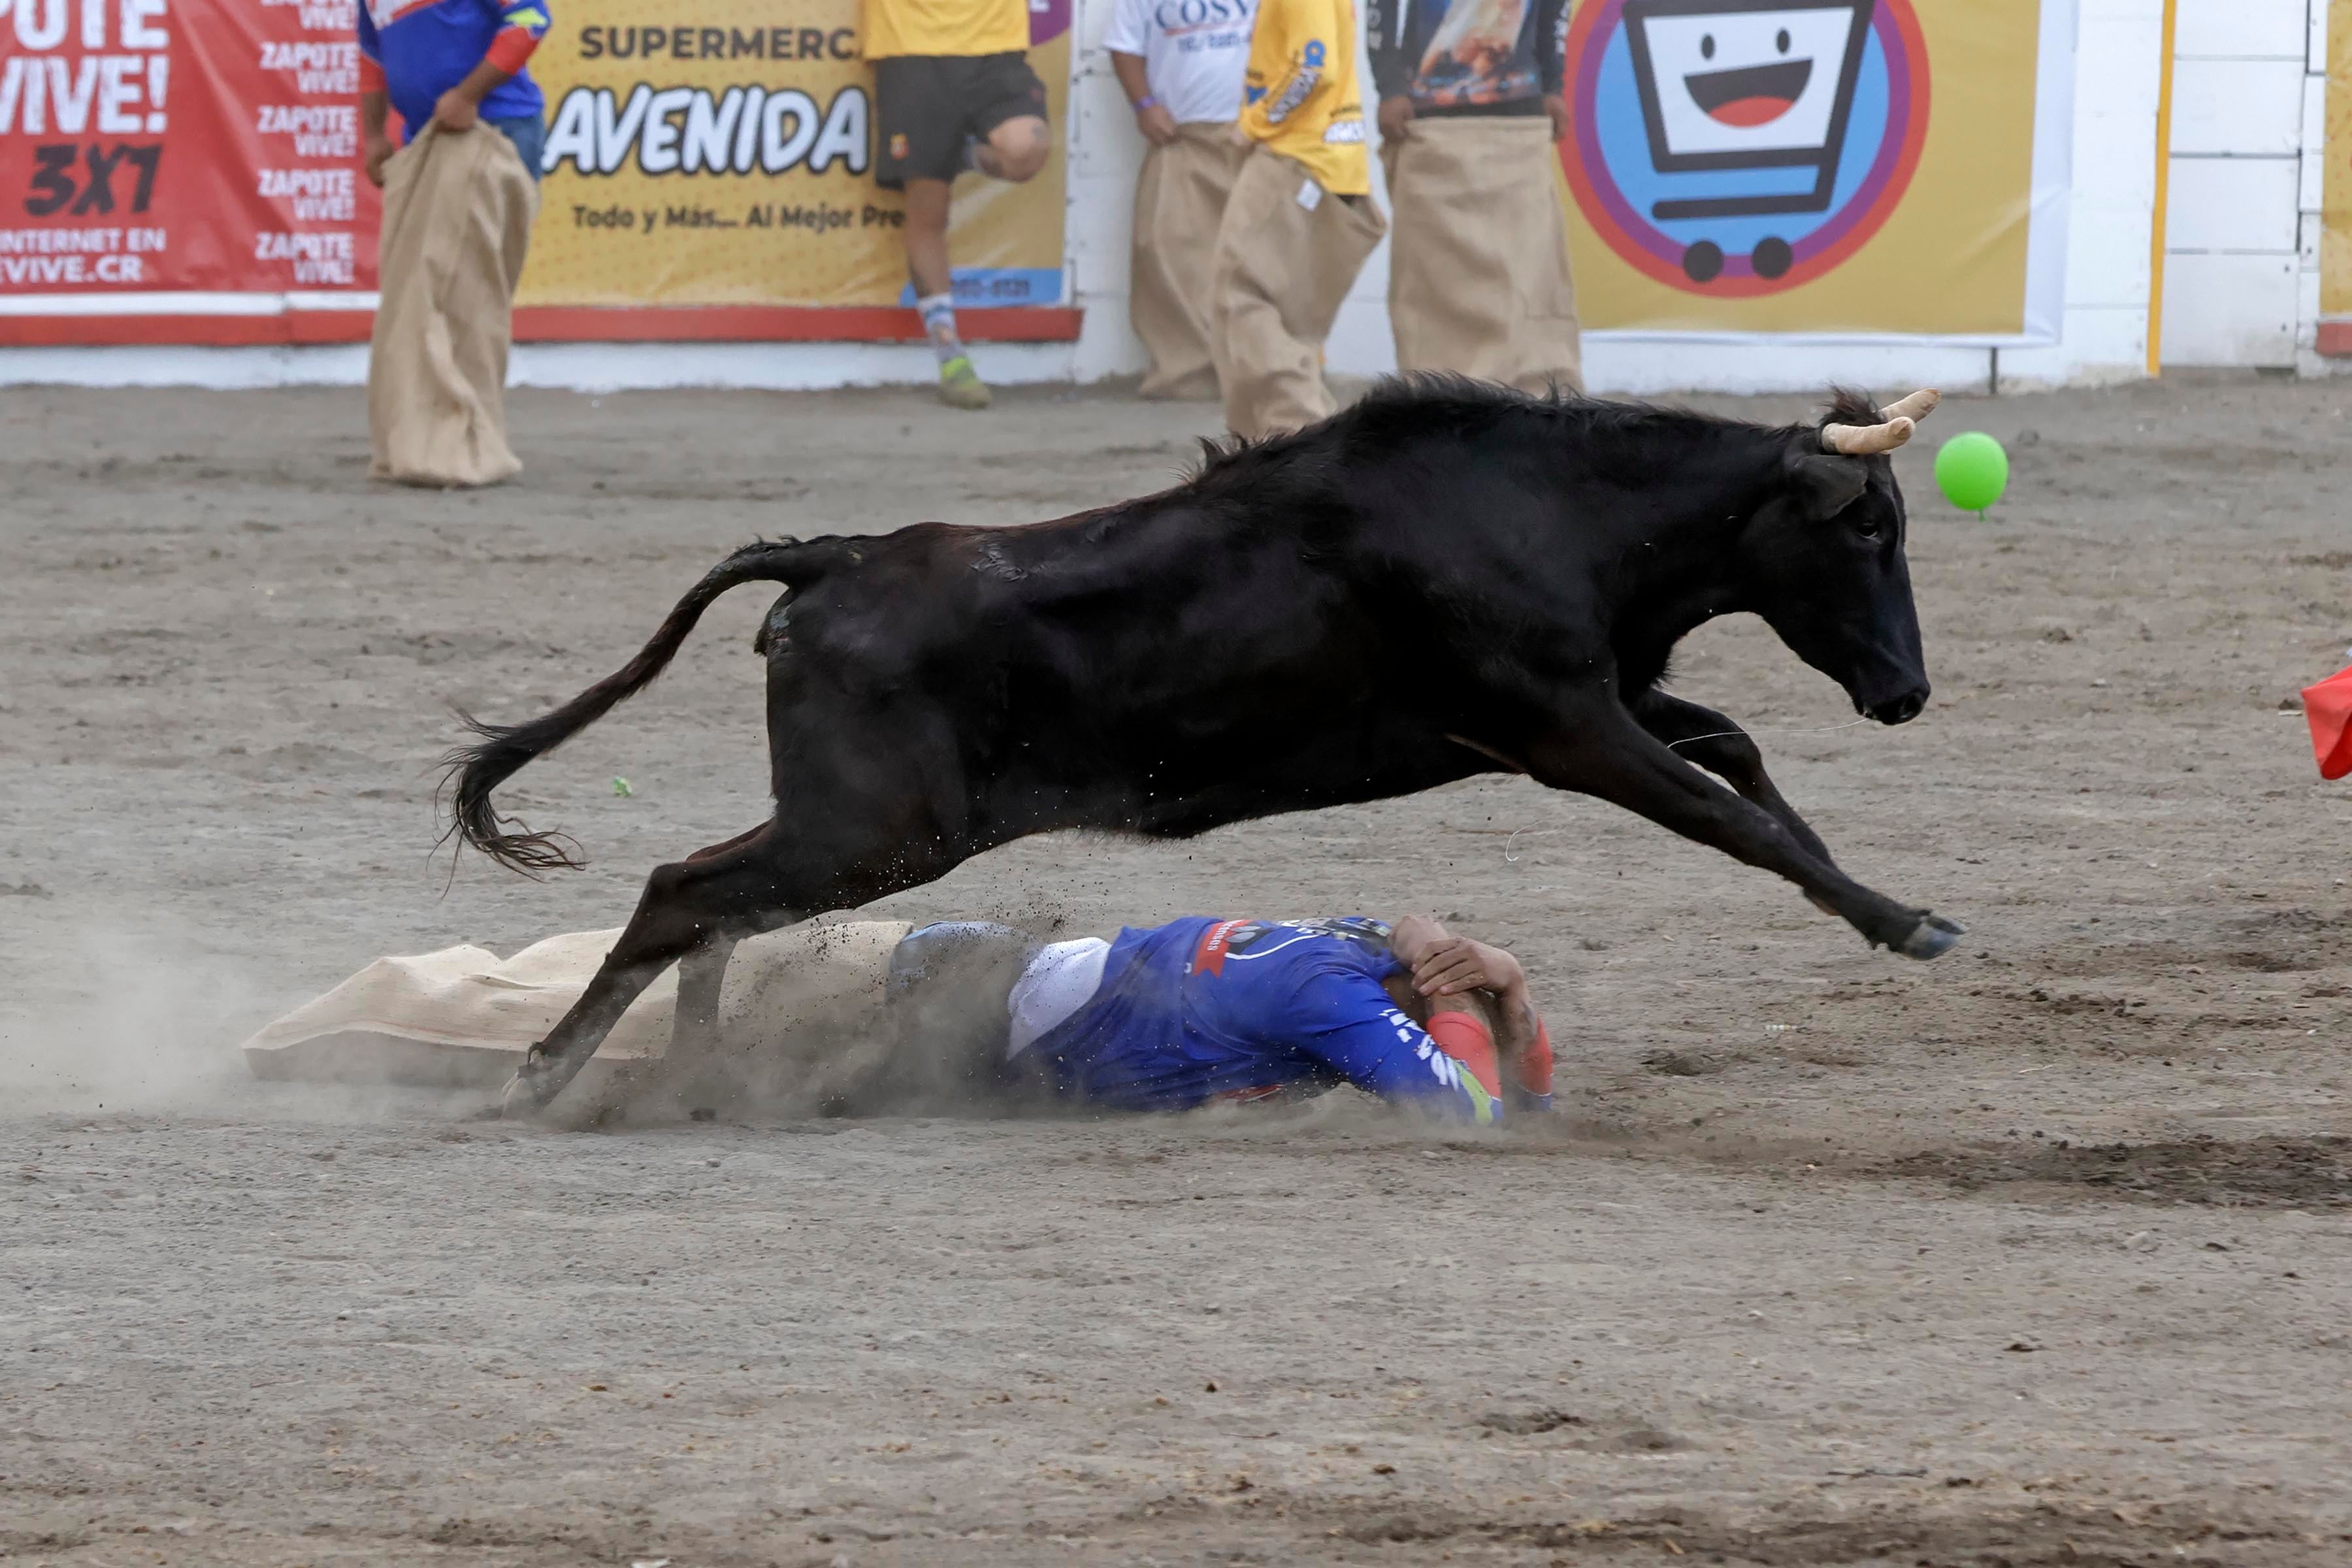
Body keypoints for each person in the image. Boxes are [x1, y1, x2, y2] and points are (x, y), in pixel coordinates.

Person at [880, 913, 1555, 1125]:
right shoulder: (1340, 1005)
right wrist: (1455, 999)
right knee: (814, 1070)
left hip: (1030, 971)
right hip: (977, 1007)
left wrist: (1512, 977)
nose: (1476, 1052)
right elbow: (1472, 1119)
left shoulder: (1375, 944)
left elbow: (1527, 1107)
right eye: (1463, 1024)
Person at [358, 0, 550, 488]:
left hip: (492, 128)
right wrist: (374, 135)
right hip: (429, 139)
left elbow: (530, 20)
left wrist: (468, 95)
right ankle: (429, 439)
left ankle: (462, 446)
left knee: (462, 294)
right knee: (417, 294)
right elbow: (373, 58)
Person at [1368, 0, 1582, 393]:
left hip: (1518, 115)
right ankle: (1437, 407)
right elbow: (1380, 7)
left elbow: (1555, 8)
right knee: (1431, 285)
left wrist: (1553, 84)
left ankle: (1535, 405)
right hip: (1430, 114)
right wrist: (1390, 87)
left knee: (1532, 276)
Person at [1207, 0, 1388, 439]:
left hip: (1295, 158)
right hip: (1327, 163)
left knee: (1242, 300)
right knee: (1288, 320)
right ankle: (1269, 455)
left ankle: (1298, 440)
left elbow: (1313, 69)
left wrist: (1252, 124)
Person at [864, 0, 1054, 410]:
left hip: (995, 47)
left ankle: (957, 153)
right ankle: (949, 354)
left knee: (1028, 148)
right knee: (927, 205)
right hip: (911, 48)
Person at [1105, 0, 1256, 400]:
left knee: (1263, 258)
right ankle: (1186, 377)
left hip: (1259, 135)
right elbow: (1124, 45)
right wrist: (1144, 106)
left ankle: (1260, 375)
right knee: (1164, 248)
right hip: (1181, 135)